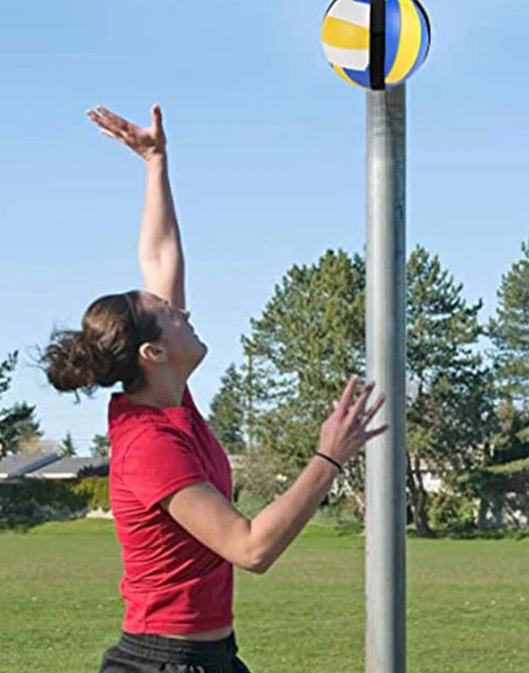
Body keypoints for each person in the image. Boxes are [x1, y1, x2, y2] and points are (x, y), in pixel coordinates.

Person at [42, 103, 388, 673]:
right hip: (164, 663)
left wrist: (156, 163)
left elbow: (158, 258)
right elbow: (250, 548)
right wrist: (329, 456)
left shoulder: (169, 402)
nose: (185, 312)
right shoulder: (148, 444)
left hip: (209, 658)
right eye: (171, 316)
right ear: (152, 354)